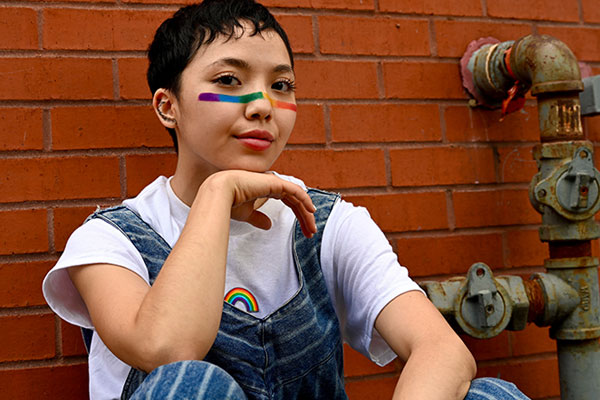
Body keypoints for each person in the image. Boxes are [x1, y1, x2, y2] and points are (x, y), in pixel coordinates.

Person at [42, 1, 531, 399]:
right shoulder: (110, 240)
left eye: (280, 85)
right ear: (168, 106)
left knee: (490, 396)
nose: (262, 106)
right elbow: (169, 350)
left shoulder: (328, 222)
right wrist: (217, 194)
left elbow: (442, 351)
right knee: (191, 385)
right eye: (229, 81)